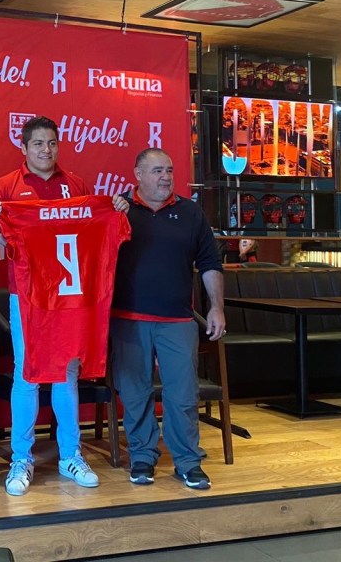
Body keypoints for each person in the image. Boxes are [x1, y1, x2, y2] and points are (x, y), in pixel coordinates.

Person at [0, 115, 113, 496]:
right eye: (38, 143)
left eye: (52, 143)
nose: (46, 150)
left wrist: (114, 207)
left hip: (69, 295)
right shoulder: (8, 185)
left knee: (67, 372)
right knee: (28, 373)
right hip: (28, 295)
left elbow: (95, 229)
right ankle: (22, 458)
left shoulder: (76, 185)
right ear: (24, 148)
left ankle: (70, 454)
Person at [110, 148, 225, 490]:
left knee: (183, 396)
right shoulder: (119, 210)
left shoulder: (191, 213)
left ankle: (187, 462)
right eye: (157, 170)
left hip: (178, 320)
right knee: (135, 395)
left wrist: (217, 307)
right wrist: (112, 216)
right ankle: (142, 457)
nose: (165, 177)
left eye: (169, 170)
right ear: (138, 174)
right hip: (128, 319)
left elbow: (210, 263)